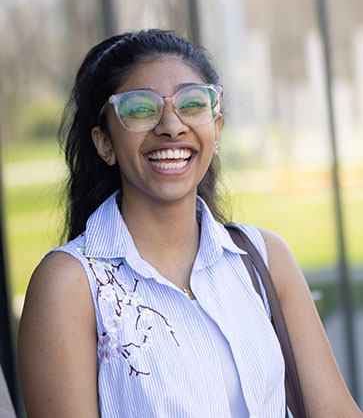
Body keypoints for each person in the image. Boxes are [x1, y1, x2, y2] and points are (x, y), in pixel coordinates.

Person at [18, 29, 362, 418]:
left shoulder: (264, 259)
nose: (171, 125)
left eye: (192, 104)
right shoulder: (70, 285)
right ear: (104, 144)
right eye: (140, 109)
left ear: (215, 130)